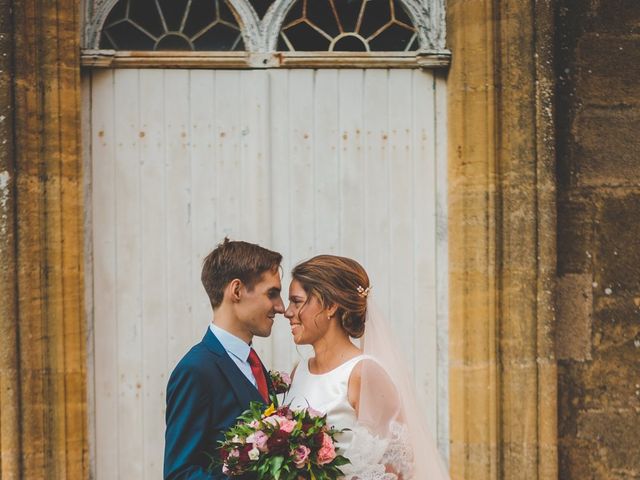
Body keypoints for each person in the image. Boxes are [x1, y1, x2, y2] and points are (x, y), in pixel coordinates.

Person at [284, 255, 450, 480]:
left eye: (297, 301)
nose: (288, 312)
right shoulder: (298, 371)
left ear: (331, 306)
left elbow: (396, 468)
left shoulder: (363, 373)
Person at [164, 238, 285, 479]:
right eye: (272, 294)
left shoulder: (252, 362)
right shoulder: (195, 370)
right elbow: (179, 474)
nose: (281, 307)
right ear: (237, 290)